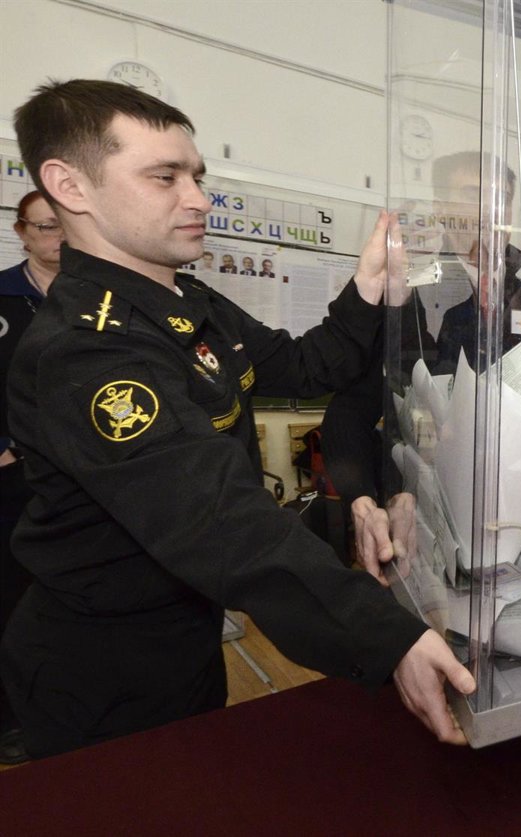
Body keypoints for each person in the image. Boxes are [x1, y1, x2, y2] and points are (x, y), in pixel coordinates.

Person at [1, 79, 475, 759]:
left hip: (186, 635)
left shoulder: (186, 300)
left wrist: (368, 283)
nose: (198, 198)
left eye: (196, 176)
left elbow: (307, 365)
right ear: (69, 186)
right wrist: (388, 636)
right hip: (103, 671)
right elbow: (219, 520)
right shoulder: (88, 350)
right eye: (164, 177)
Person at [322, 151, 521, 571]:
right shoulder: (406, 298)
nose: (490, 210)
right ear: (441, 208)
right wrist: (363, 499)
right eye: (473, 195)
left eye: (502, 198)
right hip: (423, 520)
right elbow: (349, 410)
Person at [0, 191, 65, 764]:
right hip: (12, 477)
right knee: (11, 596)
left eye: (65, 225)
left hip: (85, 477)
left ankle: (70, 706)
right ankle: (11, 720)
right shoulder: (3, 295)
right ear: (21, 231)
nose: (58, 238)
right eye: (46, 227)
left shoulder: (99, 299)